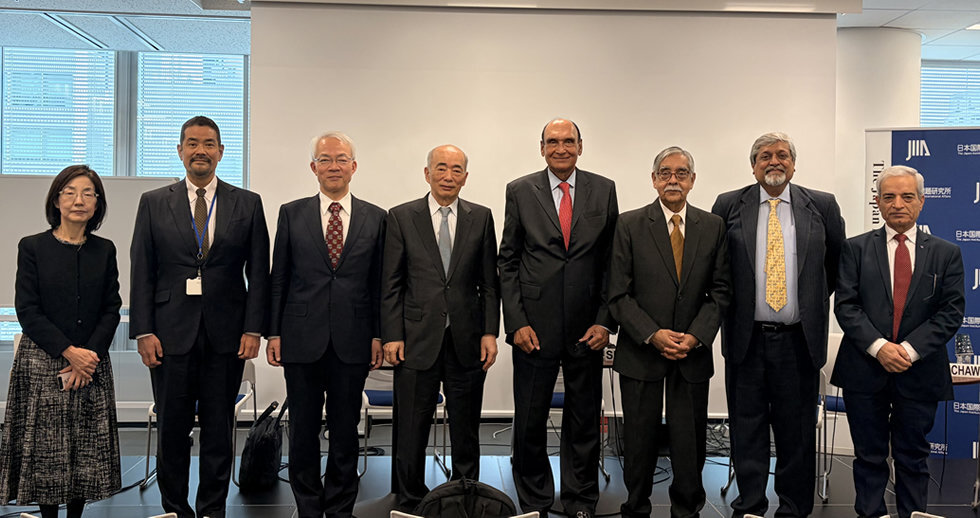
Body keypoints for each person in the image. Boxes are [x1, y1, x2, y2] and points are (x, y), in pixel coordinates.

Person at [130, 115, 270, 518]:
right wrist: (143, 330)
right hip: (168, 334)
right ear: (180, 150)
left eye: (209, 144)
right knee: (172, 428)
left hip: (227, 334)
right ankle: (174, 508)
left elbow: (258, 273)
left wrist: (254, 328)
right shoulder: (154, 202)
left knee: (218, 429)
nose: (200, 151)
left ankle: (212, 509)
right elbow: (142, 268)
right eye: (192, 143)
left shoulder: (247, 203)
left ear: (221, 152)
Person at [711, 132, 844, 518]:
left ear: (794, 164)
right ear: (753, 166)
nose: (774, 161)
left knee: (796, 431)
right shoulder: (728, 204)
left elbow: (834, 266)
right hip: (746, 339)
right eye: (765, 156)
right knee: (746, 427)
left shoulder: (822, 205)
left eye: (782, 155)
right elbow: (717, 267)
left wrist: (806, 303)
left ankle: (793, 508)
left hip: (798, 340)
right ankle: (750, 505)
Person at [498, 118, 618, 518]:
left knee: (584, 420)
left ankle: (580, 499)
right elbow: (508, 260)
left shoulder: (604, 189)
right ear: (542, 148)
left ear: (580, 146)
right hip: (534, 327)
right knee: (530, 420)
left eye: (568, 141)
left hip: (588, 327)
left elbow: (612, 262)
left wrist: (605, 321)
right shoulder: (520, 190)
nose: (561, 148)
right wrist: (516, 323)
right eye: (553, 142)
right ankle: (534, 501)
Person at [832, 165, 964, 518]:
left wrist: (906, 350)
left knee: (913, 456)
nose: (898, 204)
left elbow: (951, 312)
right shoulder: (855, 249)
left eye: (907, 196)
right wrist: (880, 348)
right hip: (864, 369)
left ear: (921, 201)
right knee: (869, 456)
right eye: (889, 197)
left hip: (919, 371)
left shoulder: (946, 253)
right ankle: (871, 514)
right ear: (878, 202)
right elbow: (846, 306)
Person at [266, 132, 385, 518]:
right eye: (325, 159)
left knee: (345, 429)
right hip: (301, 338)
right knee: (302, 428)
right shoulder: (291, 213)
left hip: (354, 339)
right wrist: (274, 332)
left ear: (354, 166)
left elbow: (379, 283)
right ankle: (307, 506)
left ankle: (339, 507)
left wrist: (378, 334)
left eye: (341, 159)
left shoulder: (376, 217)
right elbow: (279, 277)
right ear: (313, 167)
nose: (334, 166)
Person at [609, 147, 731, 518]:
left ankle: (687, 510)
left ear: (692, 180)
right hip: (641, 352)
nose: (673, 180)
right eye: (665, 173)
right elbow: (617, 293)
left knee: (689, 442)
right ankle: (635, 507)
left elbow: (721, 291)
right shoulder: (629, 224)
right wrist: (652, 334)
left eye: (681, 173)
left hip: (691, 353)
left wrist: (695, 336)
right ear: (653, 180)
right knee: (638, 440)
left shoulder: (713, 226)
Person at [382, 144, 500, 510]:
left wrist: (490, 332)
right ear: (427, 173)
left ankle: (464, 497)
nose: (448, 176)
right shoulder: (402, 216)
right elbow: (391, 283)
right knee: (411, 428)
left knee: (466, 429)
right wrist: (392, 335)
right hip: (416, 340)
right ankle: (410, 501)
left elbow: (489, 283)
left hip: (467, 339)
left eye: (456, 169)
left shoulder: (481, 217)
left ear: (466, 176)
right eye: (441, 168)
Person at [0, 165, 121, 518]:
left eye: (88, 193)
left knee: (84, 449)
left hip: (92, 361)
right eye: (70, 192)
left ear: (97, 204)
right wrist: (70, 353)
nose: (78, 200)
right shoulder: (32, 247)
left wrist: (88, 357)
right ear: (56, 200)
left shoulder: (105, 250)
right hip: (44, 360)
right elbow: (28, 309)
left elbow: (111, 308)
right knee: (47, 452)